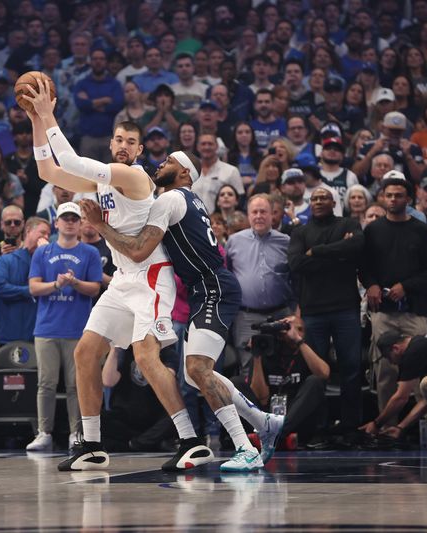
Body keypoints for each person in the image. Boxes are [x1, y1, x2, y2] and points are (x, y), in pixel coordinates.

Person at [25, 81, 208, 473]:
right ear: (111, 144)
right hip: (122, 279)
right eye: (118, 139)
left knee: (145, 356)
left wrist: (48, 113)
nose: (123, 145)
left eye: (131, 141)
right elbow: (47, 170)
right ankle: (91, 444)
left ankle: (190, 440)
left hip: (151, 277)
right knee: (85, 352)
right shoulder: (101, 183)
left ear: (140, 151)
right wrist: (35, 120)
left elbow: (71, 161)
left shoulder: (136, 177)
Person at [81, 152, 284, 471]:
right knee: (195, 372)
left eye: (169, 162)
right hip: (206, 288)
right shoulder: (187, 200)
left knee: (198, 369)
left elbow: (137, 250)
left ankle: (245, 447)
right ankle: (263, 421)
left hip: (213, 286)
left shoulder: (170, 199)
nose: (160, 164)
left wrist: (98, 225)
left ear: (185, 173)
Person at [360, 171, 427, 422]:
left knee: (422, 376)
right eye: (389, 195)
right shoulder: (372, 230)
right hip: (383, 312)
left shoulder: (421, 231)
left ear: (408, 198)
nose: (393, 199)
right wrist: (371, 284)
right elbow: (363, 266)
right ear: (383, 197)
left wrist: (406, 286)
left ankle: (424, 429)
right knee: (385, 372)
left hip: (414, 312)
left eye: (399, 196)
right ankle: (386, 427)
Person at [26, 202, 102, 452]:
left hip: (77, 328)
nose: (69, 222)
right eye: (64, 218)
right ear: (56, 223)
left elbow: (95, 288)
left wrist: (75, 282)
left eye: (74, 218)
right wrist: (57, 285)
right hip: (47, 327)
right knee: (45, 383)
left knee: (75, 384)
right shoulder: (42, 253)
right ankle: (43, 432)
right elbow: (34, 287)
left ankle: (75, 433)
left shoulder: (89, 253)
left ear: (80, 223)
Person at [288, 187, 365, 431]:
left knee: (351, 368)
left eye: (324, 198)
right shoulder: (300, 231)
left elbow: (355, 249)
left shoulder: (348, 223)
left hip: (345, 308)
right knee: (316, 373)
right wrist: (337, 253)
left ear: (333, 202)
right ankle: (317, 428)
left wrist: (318, 252)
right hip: (313, 311)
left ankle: (350, 428)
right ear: (310, 204)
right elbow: (297, 264)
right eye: (314, 199)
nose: (319, 201)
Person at [231, 316, 330, 445]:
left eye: (299, 329)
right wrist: (256, 356)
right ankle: (275, 436)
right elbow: (261, 397)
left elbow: (324, 374)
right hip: (267, 416)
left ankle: (276, 434)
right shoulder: (267, 350)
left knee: (315, 381)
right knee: (235, 383)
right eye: (290, 329)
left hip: (296, 418)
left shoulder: (306, 351)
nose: (294, 332)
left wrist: (299, 342)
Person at [226, 194, 294, 377]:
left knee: (283, 365)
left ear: (273, 214)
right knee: (248, 367)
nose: (258, 216)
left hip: (281, 315)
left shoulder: (286, 242)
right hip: (247, 316)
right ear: (248, 215)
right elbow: (228, 276)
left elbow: (295, 277)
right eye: (254, 212)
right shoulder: (234, 241)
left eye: (263, 211)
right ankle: (251, 406)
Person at [363, 332, 427, 451]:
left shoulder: (414, 351)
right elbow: (426, 401)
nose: (392, 363)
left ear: (395, 348)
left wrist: (377, 424)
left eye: (388, 357)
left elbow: (401, 397)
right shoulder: (425, 344)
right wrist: (401, 427)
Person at [0, 217, 50, 347]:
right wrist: (31, 290)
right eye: (42, 233)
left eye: (48, 235)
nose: (46, 238)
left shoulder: (48, 262)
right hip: (8, 335)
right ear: (28, 231)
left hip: (38, 336)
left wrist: (48, 256)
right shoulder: (6, 260)